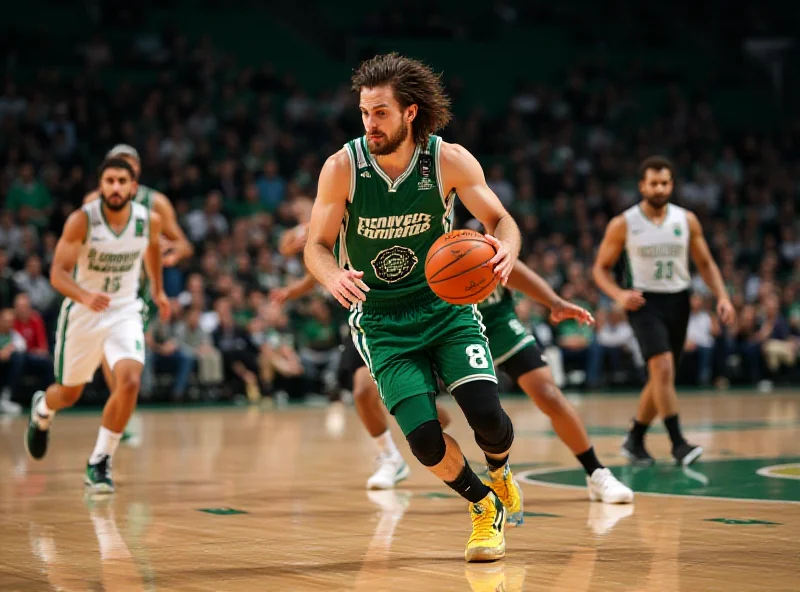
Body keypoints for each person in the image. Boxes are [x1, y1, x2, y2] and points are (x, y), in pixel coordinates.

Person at [304, 53, 523, 562]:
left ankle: (500, 467)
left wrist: (506, 246)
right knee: (425, 440)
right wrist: (332, 273)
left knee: (487, 417)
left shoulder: (449, 160)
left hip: (444, 307)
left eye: (380, 112)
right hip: (381, 319)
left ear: (410, 113)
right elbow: (315, 244)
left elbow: (501, 218)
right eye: (364, 112)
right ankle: (483, 505)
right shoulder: (342, 168)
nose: (369, 124)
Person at [24, 157, 169, 493]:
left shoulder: (150, 221)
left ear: (133, 187)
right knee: (70, 393)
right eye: (109, 181)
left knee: (130, 380)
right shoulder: (82, 221)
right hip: (84, 313)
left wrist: (159, 292)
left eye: (121, 181)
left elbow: (152, 254)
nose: (115, 187)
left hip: (124, 310)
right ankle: (43, 408)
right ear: (101, 185)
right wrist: (84, 295)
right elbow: (57, 274)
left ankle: (100, 461)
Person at [592, 155, 735, 467]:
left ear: (672, 185)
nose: (659, 188)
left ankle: (635, 438)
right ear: (642, 186)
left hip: (679, 300)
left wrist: (722, 296)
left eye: (665, 182)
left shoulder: (687, 220)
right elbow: (600, 269)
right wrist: (618, 294)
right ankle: (678, 443)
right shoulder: (624, 223)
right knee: (664, 369)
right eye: (653, 183)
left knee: (661, 377)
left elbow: (706, 263)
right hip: (643, 302)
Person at [478, 265, 634, 503]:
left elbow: (512, 266)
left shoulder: (480, 237)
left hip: (496, 320)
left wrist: (554, 301)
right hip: (447, 323)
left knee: (548, 394)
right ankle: (398, 453)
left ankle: (596, 472)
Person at [84, 144, 193, 439]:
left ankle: (119, 413)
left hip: (137, 291)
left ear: (137, 171)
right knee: (108, 354)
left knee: (125, 357)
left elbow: (183, 244)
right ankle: (118, 410)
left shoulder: (156, 202)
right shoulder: (93, 202)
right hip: (103, 286)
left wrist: (169, 251)